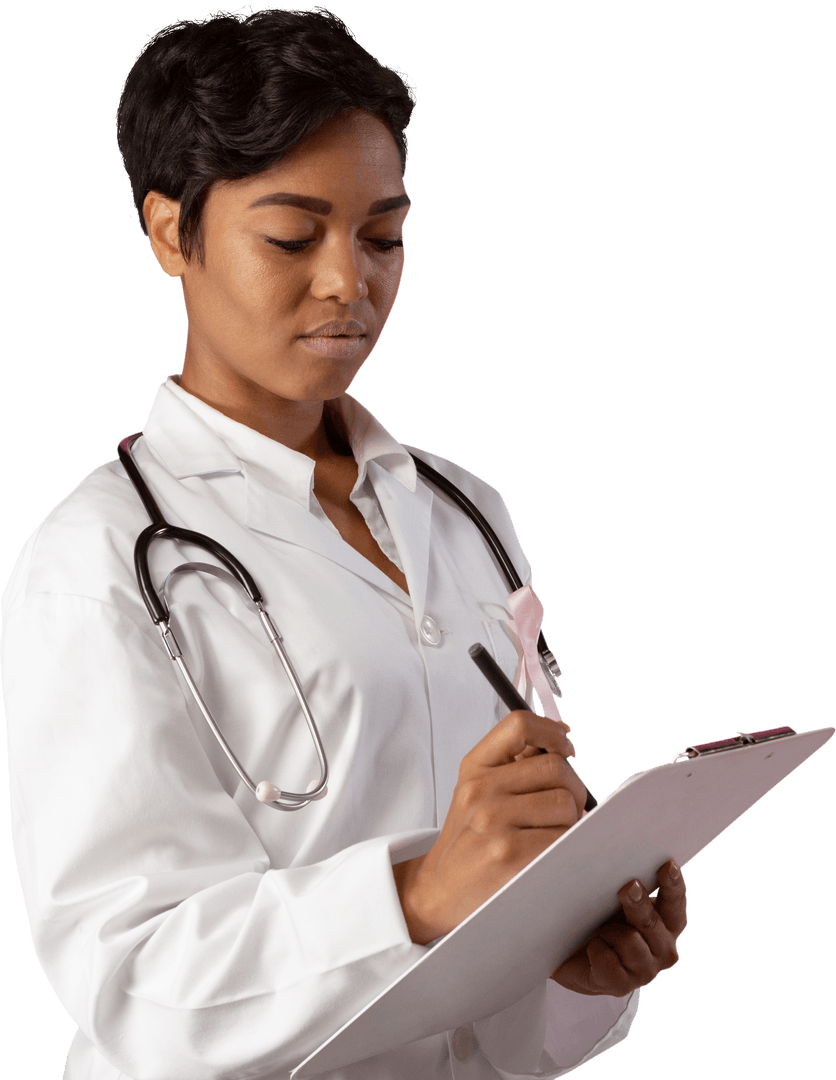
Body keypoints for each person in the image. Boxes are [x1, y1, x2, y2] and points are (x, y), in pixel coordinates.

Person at [1, 8, 687, 1079]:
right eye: (292, 236)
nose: (347, 282)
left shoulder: (465, 512)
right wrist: (413, 898)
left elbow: (491, 951)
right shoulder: (91, 566)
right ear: (170, 233)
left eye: (383, 237)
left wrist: (564, 946)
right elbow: (128, 979)